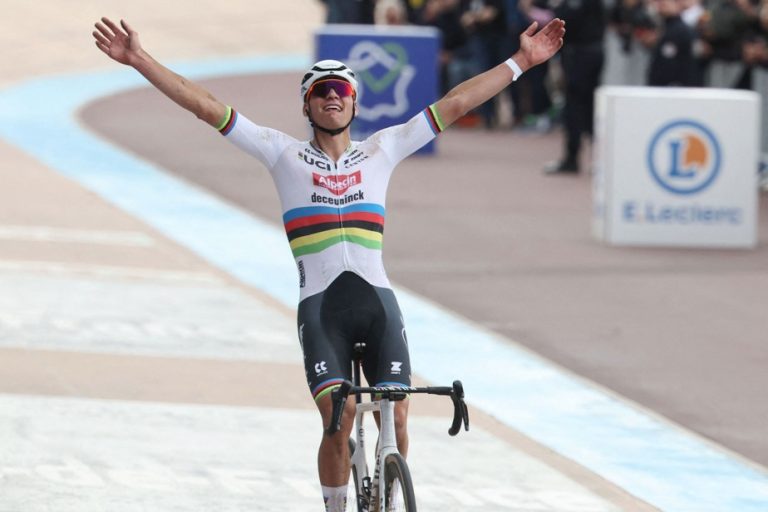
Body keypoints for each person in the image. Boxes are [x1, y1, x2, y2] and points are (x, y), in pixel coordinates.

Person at [92, 15, 564, 511]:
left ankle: (386, 491)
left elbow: (457, 102)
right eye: (320, 91)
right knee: (338, 422)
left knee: (397, 417)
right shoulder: (282, 154)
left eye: (341, 88)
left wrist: (522, 62)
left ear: (355, 101)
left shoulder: (382, 149)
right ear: (306, 105)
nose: (332, 96)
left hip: (377, 302)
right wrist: (140, 60)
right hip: (322, 311)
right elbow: (207, 107)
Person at [544, 0, 605, 174]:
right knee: (582, 106)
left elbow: (566, 20)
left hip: (583, 54)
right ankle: (585, 158)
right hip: (582, 52)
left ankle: (577, 158)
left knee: (578, 107)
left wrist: (556, 6)